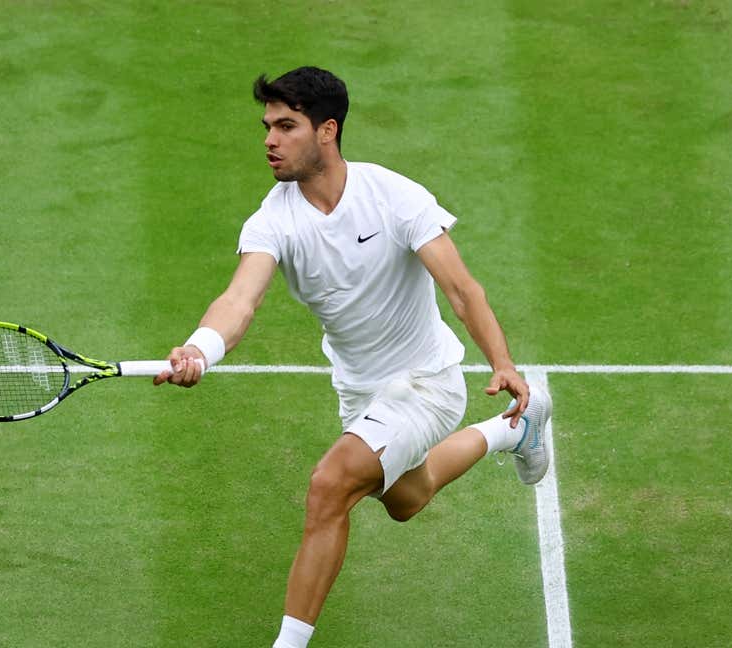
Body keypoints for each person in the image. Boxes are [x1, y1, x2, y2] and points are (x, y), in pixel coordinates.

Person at [152, 66, 553, 648]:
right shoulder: (274, 219)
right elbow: (239, 300)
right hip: (362, 391)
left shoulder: (394, 196)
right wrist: (200, 348)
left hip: (425, 382)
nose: (269, 139)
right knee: (406, 500)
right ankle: (515, 430)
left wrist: (502, 362)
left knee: (329, 484)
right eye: (266, 125)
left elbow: (463, 290)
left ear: (327, 131)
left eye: (286, 126)